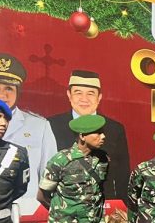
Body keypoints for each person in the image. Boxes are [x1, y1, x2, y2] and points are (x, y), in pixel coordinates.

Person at [0, 54, 56, 217]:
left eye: (9, 88)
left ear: (18, 92)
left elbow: (50, 176)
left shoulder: (39, 126)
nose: (1, 94)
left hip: (26, 212)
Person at [48, 70, 130, 200]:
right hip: (64, 205)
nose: (84, 99)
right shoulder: (51, 125)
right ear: (69, 95)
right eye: (78, 93)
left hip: (102, 204)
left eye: (90, 93)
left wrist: (122, 206)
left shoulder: (114, 129)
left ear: (99, 97)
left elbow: (122, 175)